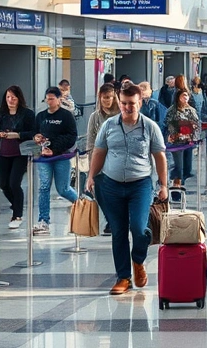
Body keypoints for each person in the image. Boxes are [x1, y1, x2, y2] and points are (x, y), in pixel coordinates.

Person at [86, 85, 167, 295]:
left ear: (140, 102)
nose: (127, 107)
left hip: (140, 185)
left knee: (140, 230)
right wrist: (91, 177)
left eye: (132, 103)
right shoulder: (109, 126)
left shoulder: (150, 127)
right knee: (118, 231)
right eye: (123, 103)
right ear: (118, 102)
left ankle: (138, 261)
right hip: (112, 185)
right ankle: (123, 277)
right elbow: (99, 151)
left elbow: (159, 157)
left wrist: (164, 185)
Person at [22, 87, 79, 236]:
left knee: (63, 189)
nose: (49, 101)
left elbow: (72, 136)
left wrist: (55, 148)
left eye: (52, 98)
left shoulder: (66, 116)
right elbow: (35, 132)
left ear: (59, 99)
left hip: (61, 156)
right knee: (44, 187)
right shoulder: (40, 116)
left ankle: (81, 205)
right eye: (47, 98)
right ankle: (44, 220)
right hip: (43, 157)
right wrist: (37, 138)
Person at [0, 86, 36, 230]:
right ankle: (16, 204)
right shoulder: (1, 113)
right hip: (4, 152)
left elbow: (33, 133)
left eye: (13, 98)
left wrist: (17, 135)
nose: (10, 100)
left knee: (14, 183)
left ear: (19, 99)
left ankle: (17, 214)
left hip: (20, 152)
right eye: (8, 97)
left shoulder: (27, 114)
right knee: (3, 183)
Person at [84, 84, 121, 198]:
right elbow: (91, 141)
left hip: (118, 158)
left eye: (109, 97)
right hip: (100, 157)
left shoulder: (122, 115)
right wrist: (92, 167)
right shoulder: (94, 117)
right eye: (104, 97)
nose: (107, 100)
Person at [165, 90, 200, 192]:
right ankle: (175, 187)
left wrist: (193, 136)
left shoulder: (191, 110)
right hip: (176, 142)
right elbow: (168, 124)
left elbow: (197, 124)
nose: (186, 98)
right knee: (178, 166)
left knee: (186, 167)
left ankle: (180, 184)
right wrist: (176, 133)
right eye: (183, 95)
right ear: (178, 97)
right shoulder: (172, 110)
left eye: (187, 96)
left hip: (188, 141)